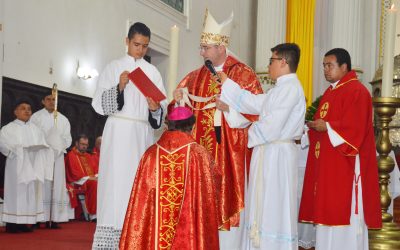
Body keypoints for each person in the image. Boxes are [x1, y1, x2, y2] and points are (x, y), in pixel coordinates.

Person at [171, 9, 263, 249]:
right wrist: (179, 97)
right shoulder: (195, 76)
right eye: (201, 47)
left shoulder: (243, 74)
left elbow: (258, 111)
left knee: (227, 204)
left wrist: (229, 110)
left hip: (229, 152)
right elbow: (177, 111)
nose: (202, 52)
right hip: (201, 153)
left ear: (222, 47)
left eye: (206, 47)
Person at [218, 43, 306, 249]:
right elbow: (254, 103)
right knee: (264, 206)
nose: (269, 65)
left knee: (274, 208)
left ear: (283, 62)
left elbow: (272, 127)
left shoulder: (291, 88)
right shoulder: (280, 89)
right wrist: (228, 97)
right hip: (269, 153)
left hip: (278, 155)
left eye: (271, 60)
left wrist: (246, 131)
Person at [91, 22, 167, 248]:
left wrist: (154, 108)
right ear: (127, 41)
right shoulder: (113, 67)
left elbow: (159, 114)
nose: (140, 50)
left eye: (145, 46)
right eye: (136, 44)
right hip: (117, 133)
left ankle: (137, 236)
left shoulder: (153, 72)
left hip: (141, 135)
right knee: (114, 184)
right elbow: (99, 105)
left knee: (138, 183)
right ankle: (111, 240)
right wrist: (119, 87)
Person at [299, 48, 382, 250]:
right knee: (327, 219)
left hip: (346, 166)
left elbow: (355, 131)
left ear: (344, 67)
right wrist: (308, 130)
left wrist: (326, 126)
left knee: (343, 220)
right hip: (329, 168)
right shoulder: (331, 92)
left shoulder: (358, 92)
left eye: (330, 65)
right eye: (324, 66)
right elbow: (324, 127)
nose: (326, 70)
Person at [119, 106, 221, 249]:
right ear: (192, 127)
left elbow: (141, 202)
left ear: (168, 126)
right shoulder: (199, 154)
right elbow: (214, 189)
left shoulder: (150, 154)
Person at [0, 100, 49, 233]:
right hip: (16, 165)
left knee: (30, 193)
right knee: (16, 192)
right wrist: (19, 150)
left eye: (29, 108)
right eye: (23, 108)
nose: (27, 111)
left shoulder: (35, 129)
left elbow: (43, 144)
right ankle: (12, 224)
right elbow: (3, 144)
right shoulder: (8, 128)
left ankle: (24, 222)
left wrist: (39, 148)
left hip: (32, 165)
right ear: (15, 112)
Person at [31, 93, 73, 229]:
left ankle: (54, 218)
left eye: (54, 100)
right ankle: (38, 217)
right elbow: (32, 134)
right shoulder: (36, 117)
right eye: (48, 99)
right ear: (43, 101)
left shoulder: (63, 119)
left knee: (57, 186)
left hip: (57, 156)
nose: (51, 102)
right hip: (41, 154)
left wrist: (58, 146)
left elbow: (68, 139)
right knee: (41, 184)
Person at [65, 134, 98, 221]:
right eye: (82, 144)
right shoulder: (71, 155)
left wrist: (96, 176)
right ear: (76, 143)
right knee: (94, 184)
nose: (84, 146)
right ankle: (93, 215)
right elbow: (73, 174)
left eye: (86, 145)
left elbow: (95, 170)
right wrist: (89, 178)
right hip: (77, 182)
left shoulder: (89, 156)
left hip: (90, 180)